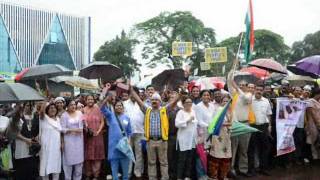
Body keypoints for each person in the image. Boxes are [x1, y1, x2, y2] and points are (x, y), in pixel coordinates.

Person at [130, 86, 180, 180]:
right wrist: (131, 90)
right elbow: (138, 100)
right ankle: (152, 178)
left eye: (156, 100)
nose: (154, 101)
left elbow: (174, 102)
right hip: (150, 141)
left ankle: (164, 178)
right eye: (153, 99)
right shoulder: (147, 110)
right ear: (150, 101)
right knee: (151, 162)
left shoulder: (164, 110)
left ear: (160, 102)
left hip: (162, 141)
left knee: (163, 162)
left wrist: (181, 93)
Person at [227, 72, 254, 177]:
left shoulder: (248, 95)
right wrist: (231, 73)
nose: (242, 86)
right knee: (233, 148)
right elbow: (229, 83)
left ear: (247, 87)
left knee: (244, 149)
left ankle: (243, 170)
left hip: (246, 124)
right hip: (235, 124)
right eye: (240, 84)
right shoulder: (234, 94)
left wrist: (237, 87)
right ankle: (232, 169)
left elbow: (245, 99)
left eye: (244, 85)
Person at [101, 98, 132, 180]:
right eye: (117, 106)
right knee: (114, 174)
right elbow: (102, 108)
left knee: (125, 173)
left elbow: (129, 132)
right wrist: (106, 97)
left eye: (120, 105)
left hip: (124, 148)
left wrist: (128, 141)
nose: (119, 107)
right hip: (113, 148)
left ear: (123, 107)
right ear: (114, 107)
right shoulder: (111, 116)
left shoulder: (127, 118)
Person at [248, 85, 272, 176]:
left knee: (265, 148)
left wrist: (270, 125)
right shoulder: (250, 100)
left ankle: (263, 168)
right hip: (252, 126)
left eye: (260, 90)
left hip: (263, 127)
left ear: (263, 91)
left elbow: (269, 114)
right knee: (252, 149)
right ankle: (251, 169)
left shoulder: (266, 101)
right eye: (257, 89)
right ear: (254, 90)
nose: (258, 91)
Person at [208, 95, 233, 180]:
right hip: (218, 136)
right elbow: (213, 123)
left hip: (227, 136)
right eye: (224, 101)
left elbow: (234, 123)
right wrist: (227, 124)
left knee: (226, 157)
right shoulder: (218, 110)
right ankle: (214, 176)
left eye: (227, 101)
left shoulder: (231, 111)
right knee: (216, 156)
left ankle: (223, 176)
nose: (226, 103)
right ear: (221, 102)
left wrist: (230, 126)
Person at [194, 90, 217, 180]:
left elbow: (214, 118)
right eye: (204, 95)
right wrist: (209, 126)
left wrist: (213, 126)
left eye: (208, 95)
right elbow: (199, 121)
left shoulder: (212, 106)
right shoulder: (198, 107)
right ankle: (201, 175)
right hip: (201, 133)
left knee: (207, 154)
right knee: (200, 155)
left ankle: (206, 174)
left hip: (211, 133)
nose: (206, 96)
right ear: (201, 97)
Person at [123, 87, 145, 179]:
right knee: (128, 153)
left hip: (140, 132)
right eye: (132, 93)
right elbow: (122, 117)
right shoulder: (124, 104)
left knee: (139, 153)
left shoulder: (141, 104)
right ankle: (128, 173)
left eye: (135, 93)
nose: (133, 95)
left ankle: (138, 172)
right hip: (128, 133)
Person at [60, 99, 84, 180]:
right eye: (71, 105)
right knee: (68, 164)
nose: (73, 106)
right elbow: (62, 129)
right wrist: (72, 130)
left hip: (79, 142)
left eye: (74, 104)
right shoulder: (64, 115)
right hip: (68, 142)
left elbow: (82, 126)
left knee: (79, 165)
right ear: (67, 106)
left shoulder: (80, 113)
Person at [175, 96, 198, 180]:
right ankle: (179, 177)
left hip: (192, 140)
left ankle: (187, 176)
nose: (189, 104)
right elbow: (177, 124)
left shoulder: (193, 111)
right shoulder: (180, 112)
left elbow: (195, 125)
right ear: (183, 104)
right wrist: (188, 120)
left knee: (189, 159)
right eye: (187, 102)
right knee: (182, 160)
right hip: (183, 140)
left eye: (190, 102)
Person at [83, 95, 105, 180]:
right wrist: (87, 128)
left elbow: (102, 122)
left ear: (94, 100)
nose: (90, 101)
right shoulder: (83, 110)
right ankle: (88, 174)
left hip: (98, 136)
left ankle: (96, 175)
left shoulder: (98, 109)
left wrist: (98, 131)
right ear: (86, 100)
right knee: (88, 156)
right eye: (88, 99)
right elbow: (83, 121)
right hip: (88, 136)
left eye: (91, 99)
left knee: (97, 156)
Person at [39, 102, 62, 180]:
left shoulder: (58, 119)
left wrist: (62, 143)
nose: (53, 109)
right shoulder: (44, 118)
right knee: (45, 166)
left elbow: (60, 133)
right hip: (46, 147)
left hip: (56, 147)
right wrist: (45, 99)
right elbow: (41, 111)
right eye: (51, 108)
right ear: (47, 110)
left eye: (54, 108)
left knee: (56, 166)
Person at [166, 90, 181, 180]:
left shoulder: (180, 110)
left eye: (175, 97)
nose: (173, 99)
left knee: (177, 156)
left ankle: (176, 174)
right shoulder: (165, 109)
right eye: (171, 97)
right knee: (169, 157)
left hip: (178, 136)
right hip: (168, 136)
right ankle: (170, 175)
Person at [305, 88, 320, 160]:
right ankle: (311, 156)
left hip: (318, 122)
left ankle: (316, 155)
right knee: (313, 139)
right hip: (312, 123)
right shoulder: (310, 101)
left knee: (317, 139)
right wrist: (317, 123)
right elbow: (311, 113)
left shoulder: (318, 101)